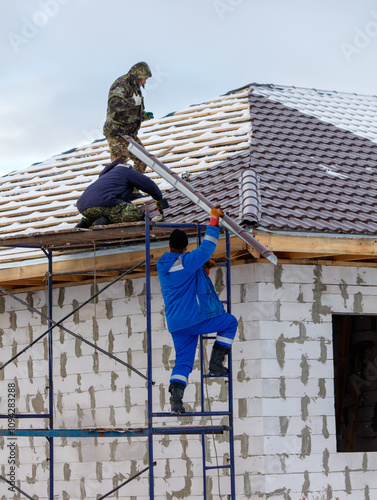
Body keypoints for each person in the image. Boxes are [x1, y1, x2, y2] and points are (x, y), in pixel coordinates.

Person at [157, 206, 238, 414]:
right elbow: (207, 247)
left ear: (169, 246)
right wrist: (213, 220)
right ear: (186, 248)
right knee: (230, 322)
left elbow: (189, 282)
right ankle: (216, 364)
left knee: (183, 362)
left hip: (177, 325)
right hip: (195, 319)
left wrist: (205, 269)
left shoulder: (164, 266)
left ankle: (176, 401)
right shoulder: (188, 261)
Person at [75, 157, 167, 228]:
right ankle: (107, 220)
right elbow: (148, 184)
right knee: (135, 212)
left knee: (113, 210)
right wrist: (158, 197)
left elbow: (123, 204)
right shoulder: (126, 170)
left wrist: (147, 219)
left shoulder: (108, 176)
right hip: (101, 203)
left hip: (83, 207)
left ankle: (85, 223)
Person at [103, 61, 154, 174]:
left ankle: (132, 189)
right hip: (117, 134)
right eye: (143, 78)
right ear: (136, 76)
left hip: (129, 134)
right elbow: (114, 104)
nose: (145, 81)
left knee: (143, 160)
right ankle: (122, 190)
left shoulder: (135, 87)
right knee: (119, 168)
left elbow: (130, 113)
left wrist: (143, 115)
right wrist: (132, 102)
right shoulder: (122, 84)